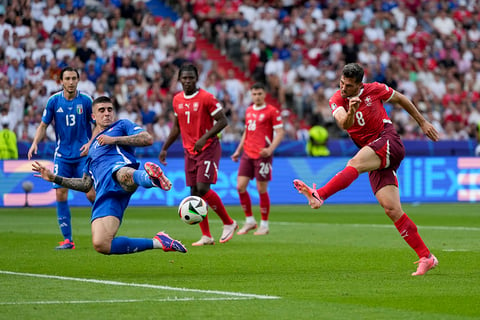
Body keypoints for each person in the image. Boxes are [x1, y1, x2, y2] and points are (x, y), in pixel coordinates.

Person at [293, 63, 440, 276]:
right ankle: (426, 256)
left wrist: (423, 123)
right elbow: (344, 123)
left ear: (359, 85)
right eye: (342, 83)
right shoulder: (337, 99)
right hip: (373, 153)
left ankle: (319, 195)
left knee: (354, 164)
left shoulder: (375, 89)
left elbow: (402, 99)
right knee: (391, 209)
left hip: (388, 141)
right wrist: (351, 110)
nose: (343, 89)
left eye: (349, 86)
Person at [32, 96, 186, 255]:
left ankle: (151, 179)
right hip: (106, 194)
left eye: (110, 110)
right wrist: (55, 178)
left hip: (121, 173)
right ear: (93, 116)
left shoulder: (121, 125)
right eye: (102, 110)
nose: (107, 113)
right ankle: (159, 242)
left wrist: (114, 140)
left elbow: (147, 139)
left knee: (122, 173)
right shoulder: (90, 149)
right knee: (102, 244)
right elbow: (85, 184)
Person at [159, 63, 238, 246]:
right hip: (190, 151)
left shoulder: (207, 98)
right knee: (194, 193)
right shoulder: (177, 99)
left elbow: (223, 121)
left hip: (208, 148)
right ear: (179, 80)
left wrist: (204, 138)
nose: (187, 81)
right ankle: (207, 236)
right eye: (184, 78)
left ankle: (229, 222)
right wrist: (165, 148)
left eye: (191, 78)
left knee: (202, 189)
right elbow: (177, 127)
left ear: (197, 79)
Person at [28, 66, 96, 250]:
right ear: (61, 81)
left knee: (91, 193)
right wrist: (35, 142)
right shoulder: (54, 101)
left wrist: (90, 144)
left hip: (83, 156)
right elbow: (43, 125)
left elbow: (98, 126)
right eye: (67, 78)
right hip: (62, 156)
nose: (71, 82)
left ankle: (104, 230)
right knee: (60, 192)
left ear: (78, 80)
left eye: (74, 78)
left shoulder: (86, 101)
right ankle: (68, 240)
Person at [231, 82, 285, 235]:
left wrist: (270, 149)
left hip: (263, 155)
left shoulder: (272, 111)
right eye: (254, 94)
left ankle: (264, 225)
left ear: (265, 94)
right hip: (247, 154)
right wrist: (238, 150)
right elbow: (247, 131)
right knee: (240, 187)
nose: (257, 96)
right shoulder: (248, 110)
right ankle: (249, 221)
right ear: (251, 95)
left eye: (259, 93)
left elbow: (280, 132)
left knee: (262, 189)